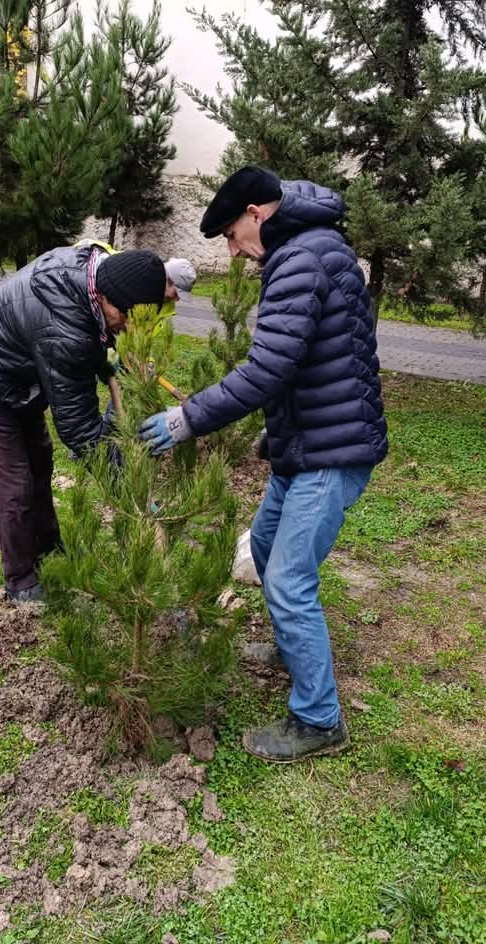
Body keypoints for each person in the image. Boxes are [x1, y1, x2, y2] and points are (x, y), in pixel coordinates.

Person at [139, 166, 387, 762]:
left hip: (331, 453)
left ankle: (319, 720)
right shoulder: (313, 246)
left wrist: (186, 419)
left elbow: (268, 369)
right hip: (307, 444)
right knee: (271, 549)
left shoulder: (301, 259)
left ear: (258, 212)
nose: (231, 249)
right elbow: (306, 364)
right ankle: (289, 650)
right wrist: (277, 436)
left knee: (286, 577)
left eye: (230, 233)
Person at [0, 244, 167, 604]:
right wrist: (128, 482)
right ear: (107, 299)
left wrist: (109, 364)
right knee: (15, 484)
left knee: (40, 460)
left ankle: (49, 550)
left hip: (24, 373)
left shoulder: (91, 273)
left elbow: (89, 337)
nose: (128, 329)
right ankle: (20, 579)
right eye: (127, 319)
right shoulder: (66, 331)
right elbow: (80, 432)